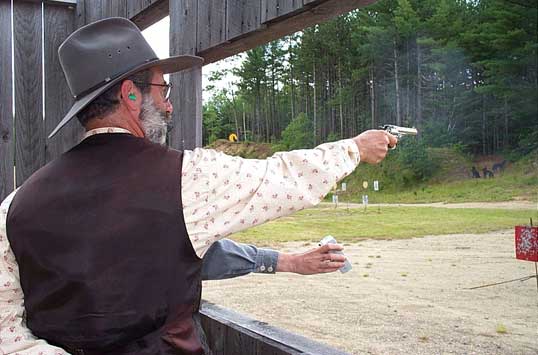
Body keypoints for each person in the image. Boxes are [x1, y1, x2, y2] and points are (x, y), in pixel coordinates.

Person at [0, 18, 396, 354]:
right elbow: (284, 177)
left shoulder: (15, 205)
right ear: (130, 94)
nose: (170, 105)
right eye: (163, 89)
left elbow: (8, 333)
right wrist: (355, 149)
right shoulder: (188, 177)